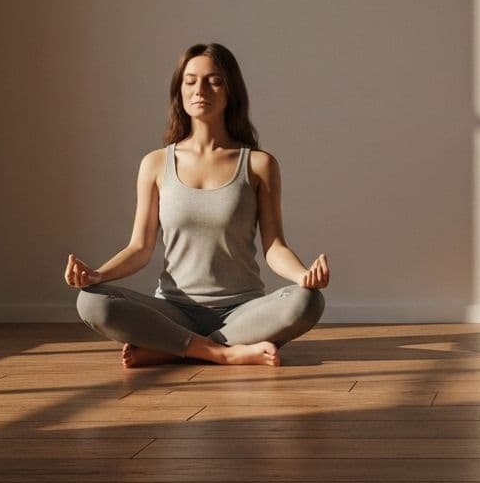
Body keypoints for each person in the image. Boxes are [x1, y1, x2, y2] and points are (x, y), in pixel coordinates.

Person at [67, 43, 328, 367]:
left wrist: (303, 275)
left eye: (213, 81)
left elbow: (274, 246)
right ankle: (222, 353)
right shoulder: (156, 164)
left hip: (242, 312)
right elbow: (140, 248)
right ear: (179, 90)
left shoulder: (259, 165)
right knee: (91, 302)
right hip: (175, 311)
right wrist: (96, 275)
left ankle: (171, 348)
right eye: (190, 81)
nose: (200, 89)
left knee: (307, 301)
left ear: (231, 90)